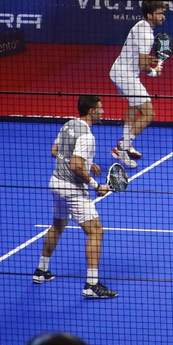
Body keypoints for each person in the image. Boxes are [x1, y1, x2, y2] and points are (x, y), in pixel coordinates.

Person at [35, 98, 116, 299]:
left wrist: (88, 162)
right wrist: (96, 185)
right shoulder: (88, 137)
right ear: (91, 111)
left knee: (58, 225)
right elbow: (75, 166)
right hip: (73, 189)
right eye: (100, 108)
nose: (103, 111)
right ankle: (92, 284)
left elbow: (55, 152)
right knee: (96, 232)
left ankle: (41, 271)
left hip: (55, 183)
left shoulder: (68, 124)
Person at [107, 0, 166, 168]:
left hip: (119, 71)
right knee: (149, 113)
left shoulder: (140, 24)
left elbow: (138, 56)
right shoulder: (147, 36)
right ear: (150, 15)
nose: (163, 17)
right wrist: (154, 72)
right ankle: (122, 147)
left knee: (133, 106)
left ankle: (126, 144)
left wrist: (152, 60)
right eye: (160, 13)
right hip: (126, 76)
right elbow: (142, 66)